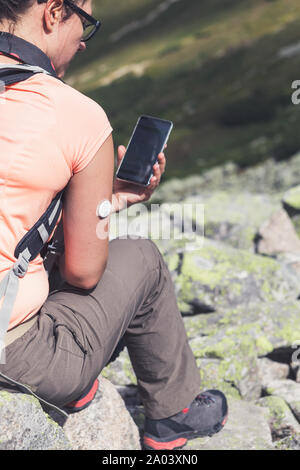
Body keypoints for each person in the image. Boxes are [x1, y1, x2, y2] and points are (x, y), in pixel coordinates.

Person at [0, 0, 228, 450]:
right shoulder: (77, 115)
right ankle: (172, 415)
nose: (84, 41)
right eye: (86, 23)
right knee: (140, 255)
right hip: (13, 352)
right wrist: (103, 206)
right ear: (52, 13)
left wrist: (111, 198)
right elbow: (85, 271)